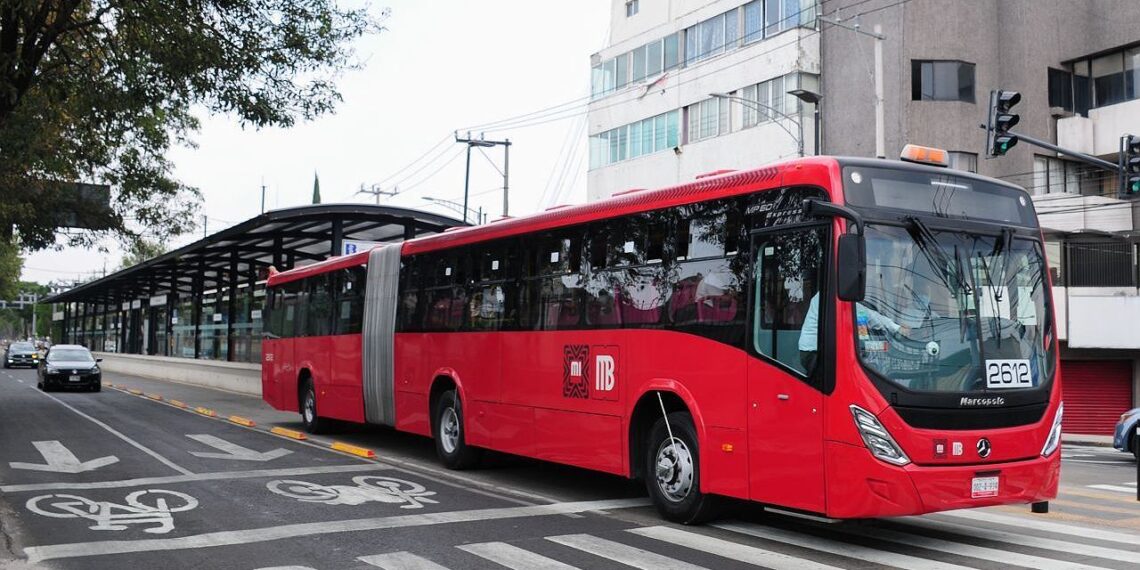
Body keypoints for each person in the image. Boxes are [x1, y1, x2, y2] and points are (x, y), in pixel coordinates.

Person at [798, 292, 908, 375]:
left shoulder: (825, 294)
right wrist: (896, 328)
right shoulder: (834, 296)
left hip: (812, 350)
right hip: (814, 353)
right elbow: (866, 315)